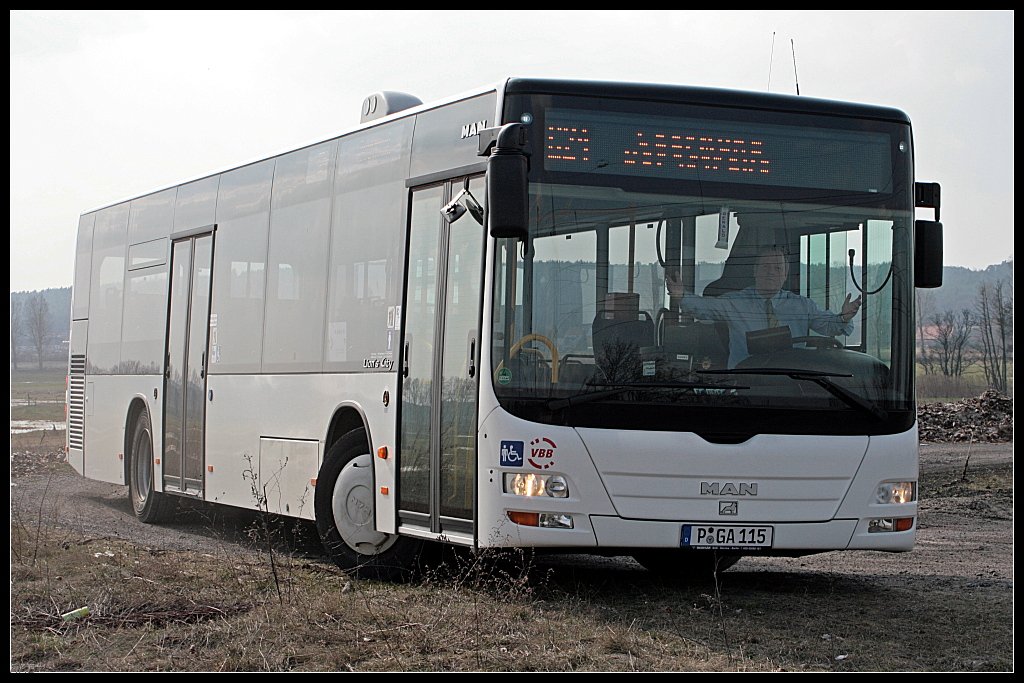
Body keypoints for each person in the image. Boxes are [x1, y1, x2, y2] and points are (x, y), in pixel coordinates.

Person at [666, 245, 862, 368]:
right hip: (744, 382)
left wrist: (844, 317)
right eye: (765, 267)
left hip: (792, 384)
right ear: (755, 271)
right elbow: (705, 308)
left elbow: (829, 326)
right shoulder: (736, 302)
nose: (771, 273)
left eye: (777, 268)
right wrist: (681, 296)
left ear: (785, 275)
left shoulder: (801, 305)